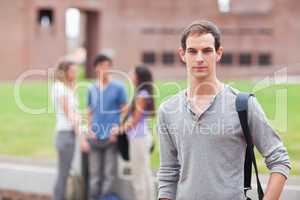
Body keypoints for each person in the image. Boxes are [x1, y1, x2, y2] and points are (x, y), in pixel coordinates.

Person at [157, 20, 291, 200]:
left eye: (206, 51)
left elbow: (279, 160)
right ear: (182, 54)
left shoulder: (243, 105)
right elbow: (168, 173)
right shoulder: (168, 110)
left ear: (218, 53)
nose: (199, 58)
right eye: (192, 51)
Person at [80, 54, 127, 200]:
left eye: (107, 66)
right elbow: (89, 111)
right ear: (96, 68)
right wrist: (89, 130)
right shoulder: (91, 88)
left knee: (109, 173)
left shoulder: (119, 87)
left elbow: (124, 111)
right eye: (101, 66)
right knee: (94, 174)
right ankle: (94, 197)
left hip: (111, 138)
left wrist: (117, 130)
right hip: (94, 137)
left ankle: (105, 197)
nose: (105, 69)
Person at [112, 66, 155, 200]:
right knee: (145, 173)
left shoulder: (142, 95)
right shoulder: (141, 93)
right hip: (140, 138)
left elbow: (134, 121)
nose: (130, 75)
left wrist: (118, 130)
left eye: (132, 73)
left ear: (138, 77)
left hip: (139, 139)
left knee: (138, 176)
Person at [52, 61, 81, 200]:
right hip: (65, 134)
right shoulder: (60, 87)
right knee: (63, 173)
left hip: (68, 133)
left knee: (65, 171)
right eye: (72, 71)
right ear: (64, 72)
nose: (75, 74)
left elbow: (74, 112)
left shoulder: (67, 88)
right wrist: (79, 132)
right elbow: (68, 112)